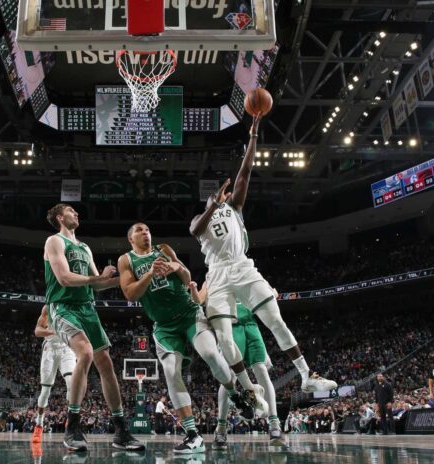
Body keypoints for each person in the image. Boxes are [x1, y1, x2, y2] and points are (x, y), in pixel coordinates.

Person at [189, 114, 336, 395]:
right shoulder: (200, 218)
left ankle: (307, 375)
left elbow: (244, 173)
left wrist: (254, 136)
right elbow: (195, 230)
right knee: (224, 338)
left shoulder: (233, 208)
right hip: (217, 273)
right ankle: (246, 388)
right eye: (215, 197)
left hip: (242, 267)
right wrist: (212, 203)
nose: (221, 197)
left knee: (275, 320)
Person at [118, 224, 259, 453]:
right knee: (171, 372)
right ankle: (193, 435)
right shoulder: (126, 260)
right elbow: (130, 293)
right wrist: (150, 273)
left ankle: (235, 395)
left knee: (211, 353)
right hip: (164, 326)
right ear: (130, 238)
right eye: (140, 230)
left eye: (148, 230)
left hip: (189, 314)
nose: (146, 232)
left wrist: (174, 265)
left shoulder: (163, 249)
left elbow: (186, 277)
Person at [44, 203, 144, 452]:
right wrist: (97, 278)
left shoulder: (84, 247)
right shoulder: (54, 241)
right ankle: (72, 426)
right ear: (60, 217)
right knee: (85, 353)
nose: (76, 213)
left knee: (106, 364)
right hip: (63, 306)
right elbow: (64, 278)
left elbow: (96, 285)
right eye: (70, 210)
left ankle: (121, 430)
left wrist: (127, 279)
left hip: (87, 308)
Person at [189, 281, 284, 448]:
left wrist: (269, 292)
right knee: (229, 377)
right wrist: (193, 289)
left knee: (261, 369)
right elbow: (198, 300)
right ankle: (221, 427)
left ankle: (274, 424)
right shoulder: (212, 278)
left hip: (251, 326)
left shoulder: (244, 272)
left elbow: (271, 294)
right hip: (230, 329)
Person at [31, 304, 76, 444]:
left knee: (71, 383)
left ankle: (71, 422)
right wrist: (52, 332)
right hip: (50, 349)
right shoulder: (47, 308)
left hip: (67, 348)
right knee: (45, 391)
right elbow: (37, 331)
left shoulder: (74, 306)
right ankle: (39, 425)